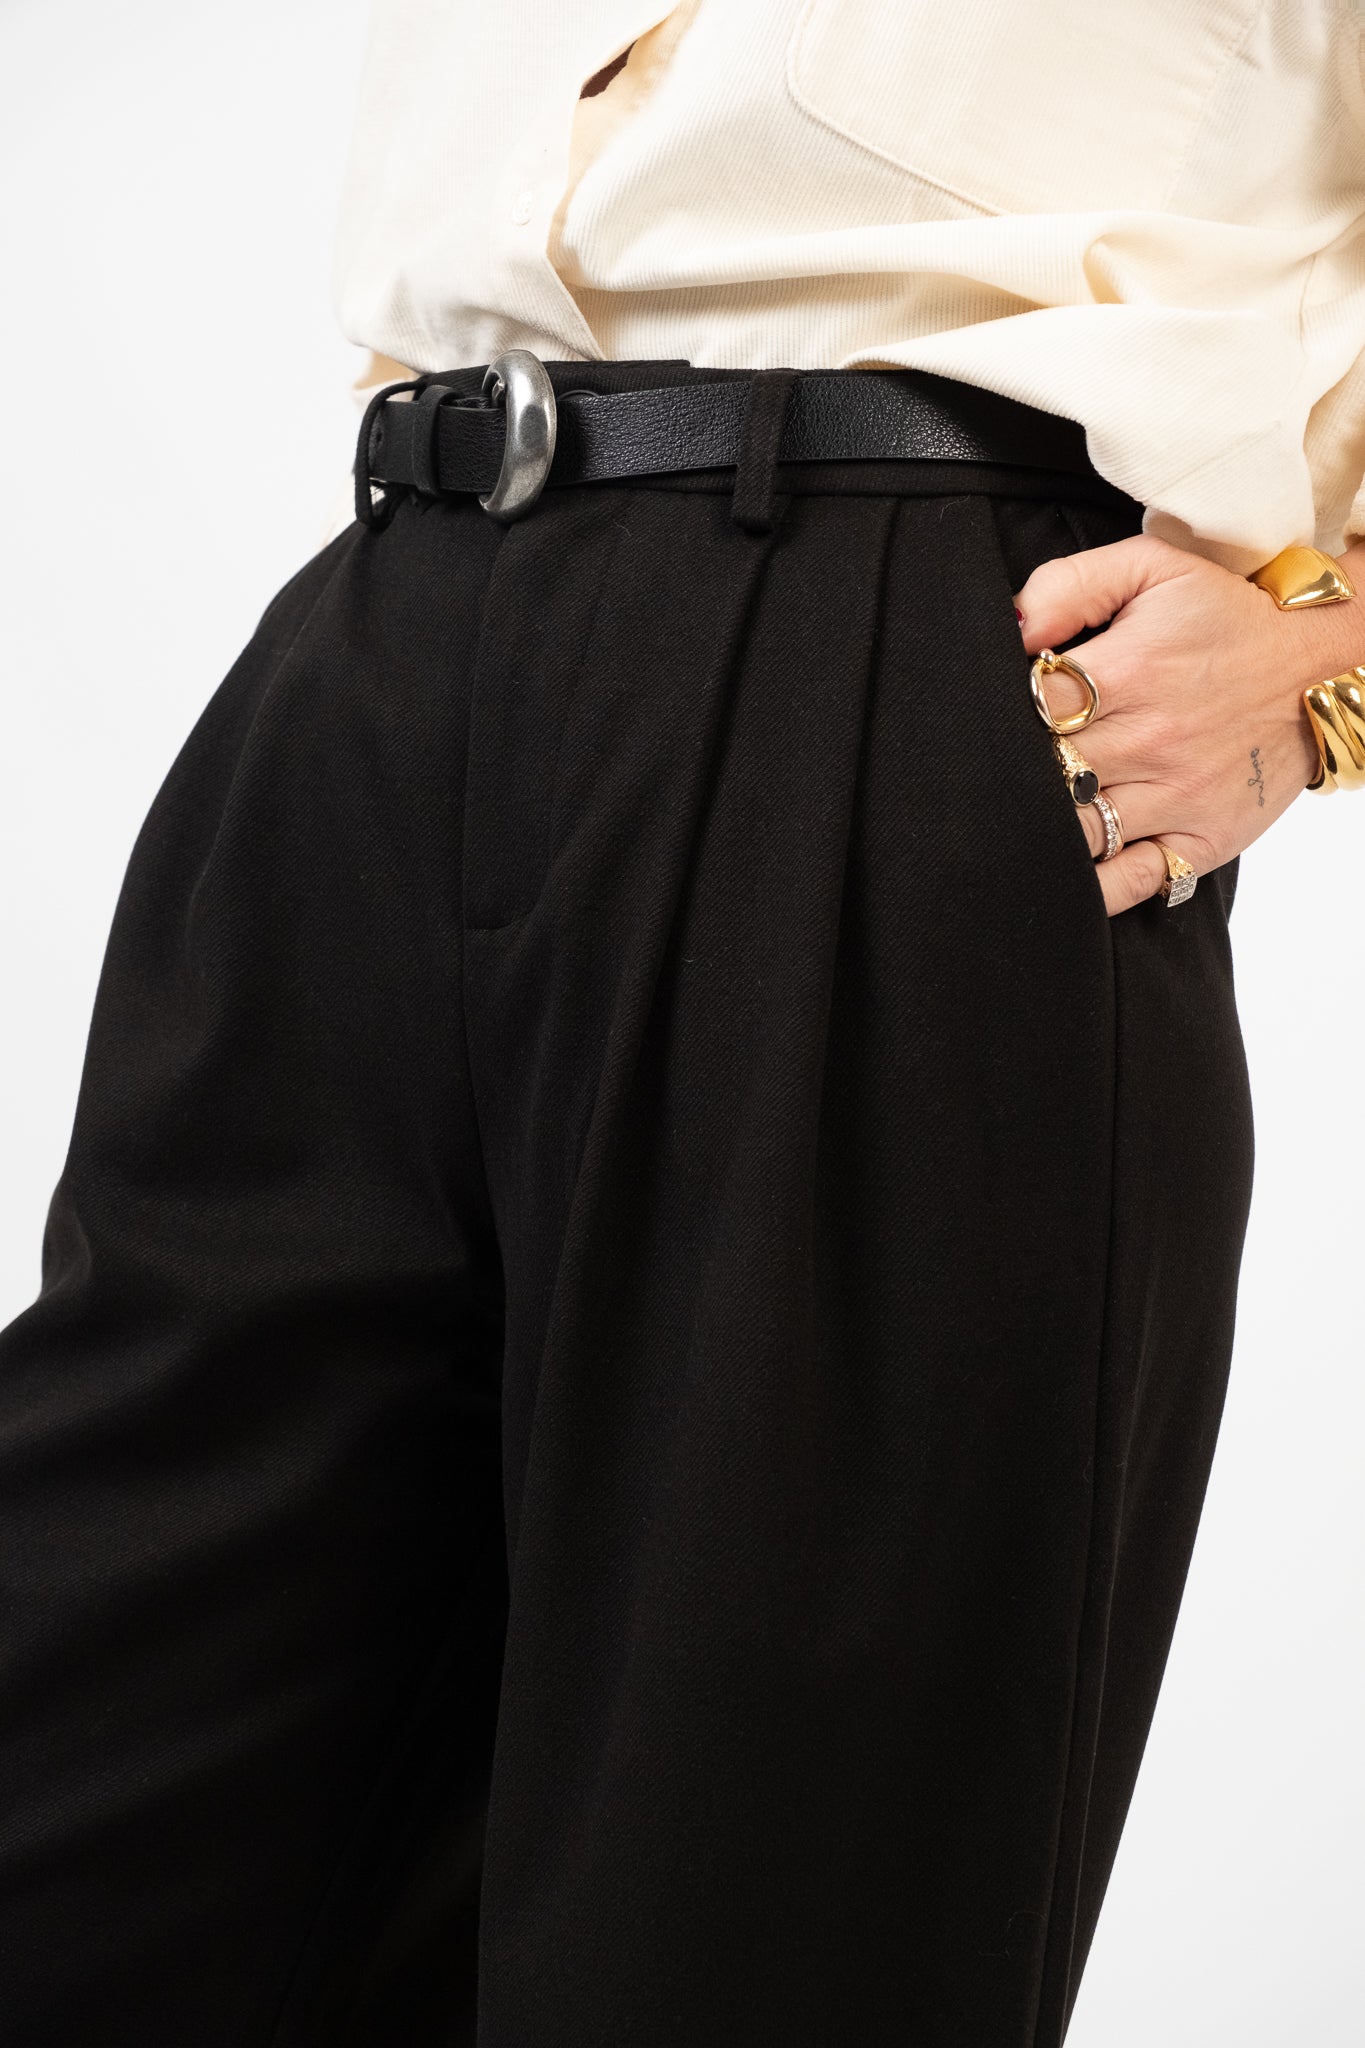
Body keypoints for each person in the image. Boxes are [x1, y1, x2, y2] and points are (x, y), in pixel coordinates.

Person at [1, 5, 1362, 2044]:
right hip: (376, 650)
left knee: (746, 1897)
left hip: (899, 666)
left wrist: (1333, 655)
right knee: (97, 1774)